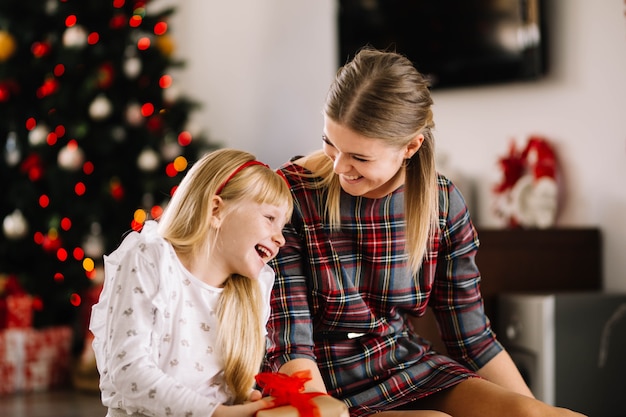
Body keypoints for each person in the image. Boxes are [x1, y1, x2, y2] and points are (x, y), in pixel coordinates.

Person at [264, 48, 586, 417]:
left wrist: (531, 408)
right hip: (318, 381)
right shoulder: (291, 194)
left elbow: (472, 338)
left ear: (411, 146)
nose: (339, 166)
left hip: (402, 365)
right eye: (330, 143)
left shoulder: (443, 202)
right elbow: (292, 345)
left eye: (359, 157)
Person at [89, 149, 293, 417]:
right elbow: (129, 374)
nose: (281, 238)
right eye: (270, 219)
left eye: (283, 226)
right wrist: (219, 413)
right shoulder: (151, 259)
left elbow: (228, 392)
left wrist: (244, 404)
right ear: (217, 210)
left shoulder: (254, 290)